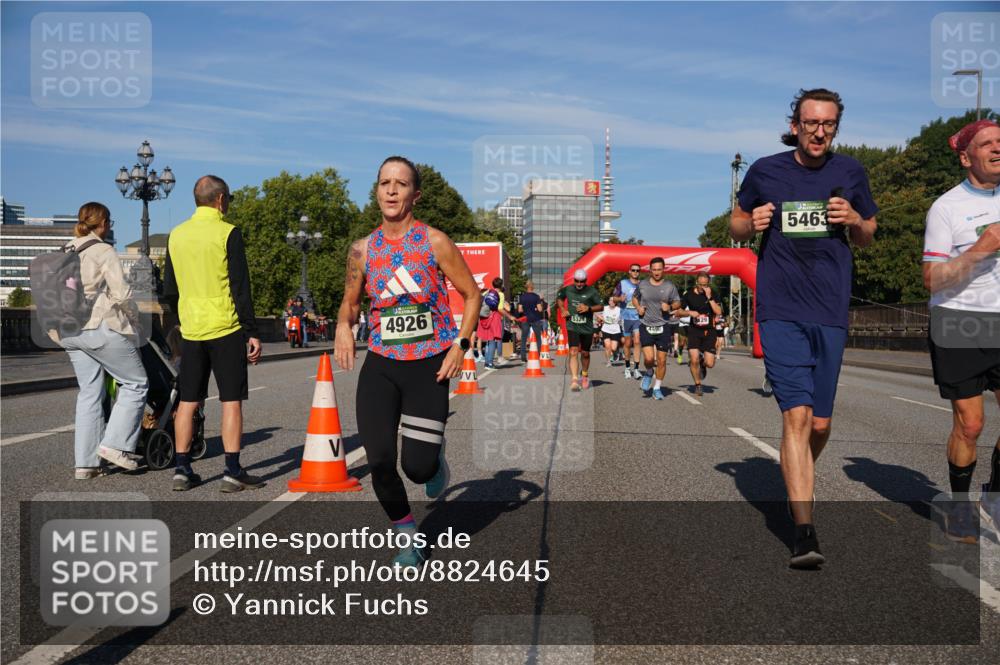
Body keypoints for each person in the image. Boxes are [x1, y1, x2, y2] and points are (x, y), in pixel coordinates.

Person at [730, 88, 877, 568]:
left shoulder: (849, 171)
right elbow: (735, 225)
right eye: (811, 123)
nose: (819, 131)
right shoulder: (765, 170)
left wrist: (855, 218)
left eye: (828, 124)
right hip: (780, 308)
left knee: (820, 422)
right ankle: (804, 531)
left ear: (836, 127)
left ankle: (799, 470)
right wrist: (750, 223)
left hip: (830, 308)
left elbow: (869, 233)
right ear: (794, 124)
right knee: (795, 416)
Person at [334, 155, 481, 568]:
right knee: (379, 460)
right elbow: (349, 305)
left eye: (400, 184)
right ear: (377, 191)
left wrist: (460, 345)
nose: (392, 190)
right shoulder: (361, 250)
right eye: (384, 183)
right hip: (381, 363)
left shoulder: (435, 241)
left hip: (428, 364)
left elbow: (472, 294)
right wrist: (343, 327)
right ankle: (407, 535)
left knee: (416, 469)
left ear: (415, 194)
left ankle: (434, 460)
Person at [921, 119, 1000, 542]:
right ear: (966, 157)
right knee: (970, 425)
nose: (997, 148)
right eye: (987, 144)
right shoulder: (946, 208)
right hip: (960, 320)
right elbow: (932, 279)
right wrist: (981, 248)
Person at [163, 175, 264, 493]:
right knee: (231, 401)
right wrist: (252, 331)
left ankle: (181, 469)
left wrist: (182, 320)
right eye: (229, 198)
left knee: (188, 401)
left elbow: (169, 289)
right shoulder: (228, 232)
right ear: (220, 199)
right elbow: (240, 286)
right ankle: (232, 471)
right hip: (226, 327)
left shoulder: (176, 235)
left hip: (191, 329)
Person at [59, 202, 148, 479]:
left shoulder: (66, 249)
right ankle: (115, 445)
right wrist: (135, 319)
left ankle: (86, 464)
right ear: (105, 223)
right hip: (97, 326)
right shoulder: (103, 250)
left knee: (89, 393)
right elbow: (122, 294)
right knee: (136, 384)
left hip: (68, 331)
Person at [632, 257, 682, 400]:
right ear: (650, 270)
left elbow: (678, 302)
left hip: (663, 326)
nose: (657, 272)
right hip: (646, 324)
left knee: (661, 360)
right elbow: (635, 298)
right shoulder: (642, 284)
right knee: (649, 359)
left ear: (663, 269)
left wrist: (671, 306)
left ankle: (657, 388)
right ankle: (649, 372)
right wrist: (638, 307)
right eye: (654, 269)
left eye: (659, 269)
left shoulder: (669, 286)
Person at [556, 269, 603, 391]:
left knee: (585, 353)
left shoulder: (591, 291)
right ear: (574, 280)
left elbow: (601, 306)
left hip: (586, 327)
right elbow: (559, 298)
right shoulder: (568, 289)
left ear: (585, 281)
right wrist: (562, 309)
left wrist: (589, 308)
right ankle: (574, 380)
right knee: (573, 350)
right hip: (573, 325)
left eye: (582, 282)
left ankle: (585, 374)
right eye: (577, 281)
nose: (579, 284)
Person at [679, 273, 723, 397]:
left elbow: (718, 312)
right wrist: (689, 312)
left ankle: (702, 363)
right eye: (701, 285)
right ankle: (698, 385)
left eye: (705, 285)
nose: (703, 287)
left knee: (710, 364)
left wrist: (709, 298)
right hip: (694, 330)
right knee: (693, 359)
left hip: (709, 331)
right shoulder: (689, 294)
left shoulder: (712, 293)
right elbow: (679, 312)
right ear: (696, 283)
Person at [614, 263, 644, 379]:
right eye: (633, 270)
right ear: (629, 271)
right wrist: (619, 298)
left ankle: (636, 369)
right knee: (627, 343)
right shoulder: (622, 283)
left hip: (638, 317)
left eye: (637, 270)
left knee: (637, 341)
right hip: (626, 317)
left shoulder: (643, 284)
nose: (635, 272)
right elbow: (613, 298)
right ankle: (627, 368)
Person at [477, 279, 503, 369]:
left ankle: (487, 362)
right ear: (501, 285)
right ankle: (490, 363)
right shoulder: (498, 294)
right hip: (492, 318)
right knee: (492, 341)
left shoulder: (487, 292)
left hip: (484, 317)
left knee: (488, 341)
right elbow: (499, 308)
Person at [517, 280, 546, 363]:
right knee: (538, 337)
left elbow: (519, 310)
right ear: (532, 287)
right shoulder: (536, 297)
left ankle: (523, 357)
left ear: (526, 287)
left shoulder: (522, 297)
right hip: (535, 318)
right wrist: (538, 308)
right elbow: (540, 309)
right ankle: (539, 355)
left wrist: (524, 309)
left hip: (525, 318)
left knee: (524, 338)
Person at [600, 296, 623, 367]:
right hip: (606, 329)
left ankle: (616, 353)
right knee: (607, 346)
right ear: (608, 302)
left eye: (613, 300)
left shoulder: (619, 310)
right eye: (610, 300)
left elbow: (623, 317)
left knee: (613, 348)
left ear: (616, 302)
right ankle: (608, 361)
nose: (612, 302)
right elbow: (596, 313)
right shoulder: (604, 308)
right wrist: (603, 319)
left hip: (615, 330)